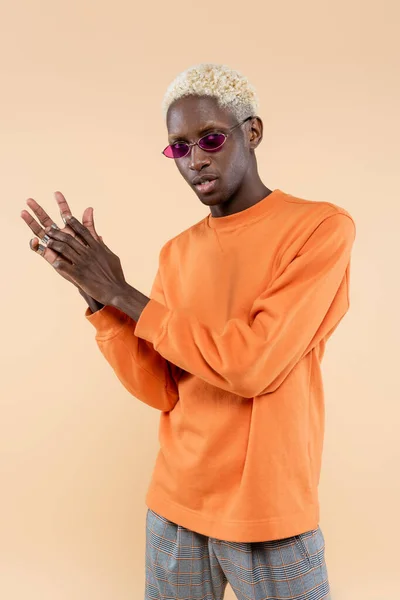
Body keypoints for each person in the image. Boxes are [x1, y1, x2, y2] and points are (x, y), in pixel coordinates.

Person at [21, 63, 356, 600]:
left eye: (211, 138)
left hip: (267, 515)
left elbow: (254, 365)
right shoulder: (177, 252)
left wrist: (124, 293)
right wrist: (96, 296)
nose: (195, 158)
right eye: (178, 147)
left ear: (253, 131)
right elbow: (161, 389)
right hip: (175, 508)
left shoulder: (320, 229)